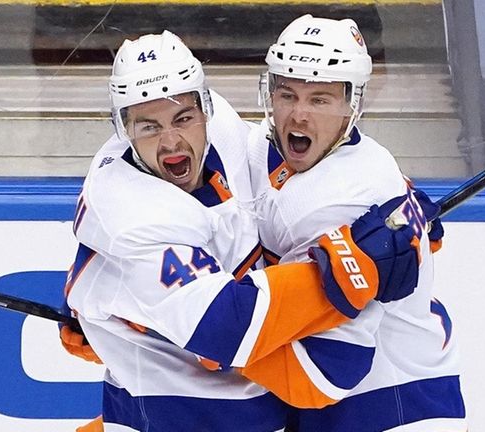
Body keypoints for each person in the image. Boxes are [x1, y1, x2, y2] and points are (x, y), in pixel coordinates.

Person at [63, 30, 420, 432]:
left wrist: (397, 198)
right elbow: (231, 330)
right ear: (123, 131)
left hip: (252, 415)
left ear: (206, 110)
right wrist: (357, 267)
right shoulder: (132, 211)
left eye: (182, 118)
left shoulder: (228, 135)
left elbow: (288, 164)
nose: (170, 141)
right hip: (175, 415)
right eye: (148, 127)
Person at [245, 15, 467, 431]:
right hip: (340, 405)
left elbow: (322, 372)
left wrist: (195, 330)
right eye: (287, 94)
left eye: (321, 99)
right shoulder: (262, 146)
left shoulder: (345, 194)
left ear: (352, 105)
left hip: (395, 405)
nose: (298, 116)